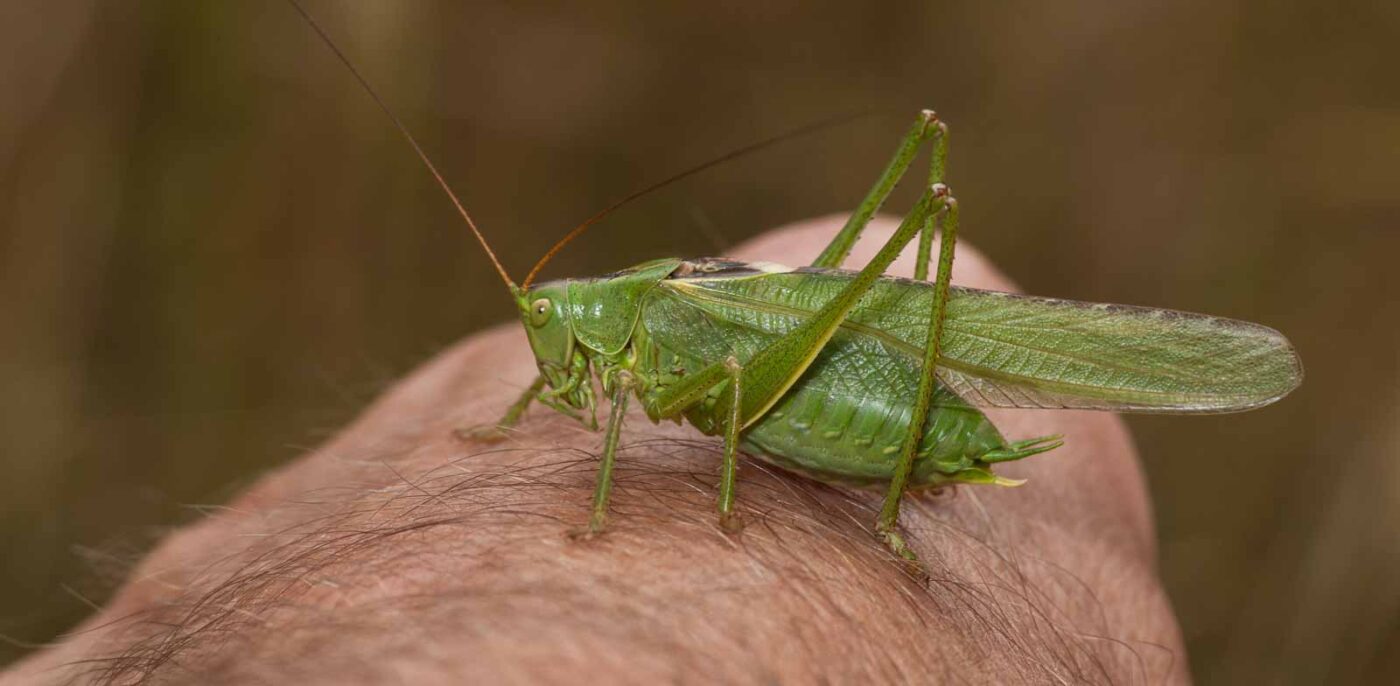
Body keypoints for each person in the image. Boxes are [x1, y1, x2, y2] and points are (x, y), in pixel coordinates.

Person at [2, 217, 1185, 685]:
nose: (545, 347)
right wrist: (509, 429)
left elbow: (714, 377)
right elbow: (589, 394)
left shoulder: (639, 324)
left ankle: (885, 503)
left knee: (757, 338)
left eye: (547, 328)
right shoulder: (591, 335)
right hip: (773, 368)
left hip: (832, 393)